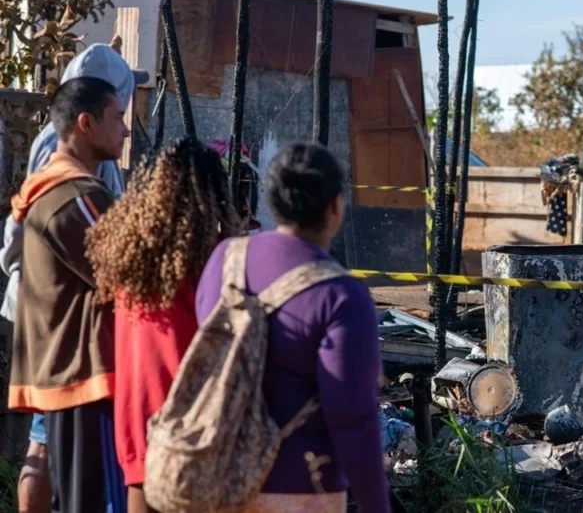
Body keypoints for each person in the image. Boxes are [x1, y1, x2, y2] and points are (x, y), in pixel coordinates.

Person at [195, 143, 389, 512]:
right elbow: (352, 419)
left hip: (215, 477)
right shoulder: (341, 294)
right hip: (300, 487)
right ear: (336, 206)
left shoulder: (225, 259)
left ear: (272, 202)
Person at [0, 43, 143, 513]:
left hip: (55, 334)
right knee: (87, 487)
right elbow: (126, 269)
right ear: (86, 120)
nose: (125, 127)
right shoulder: (72, 185)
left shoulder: (77, 174)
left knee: (48, 458)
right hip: (75, 353)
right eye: (118, 113)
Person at [85, 138, 239, 513]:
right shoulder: (215, 264)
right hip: (195, 433)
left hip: (137, 429)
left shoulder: (126, 263)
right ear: (213, 200)